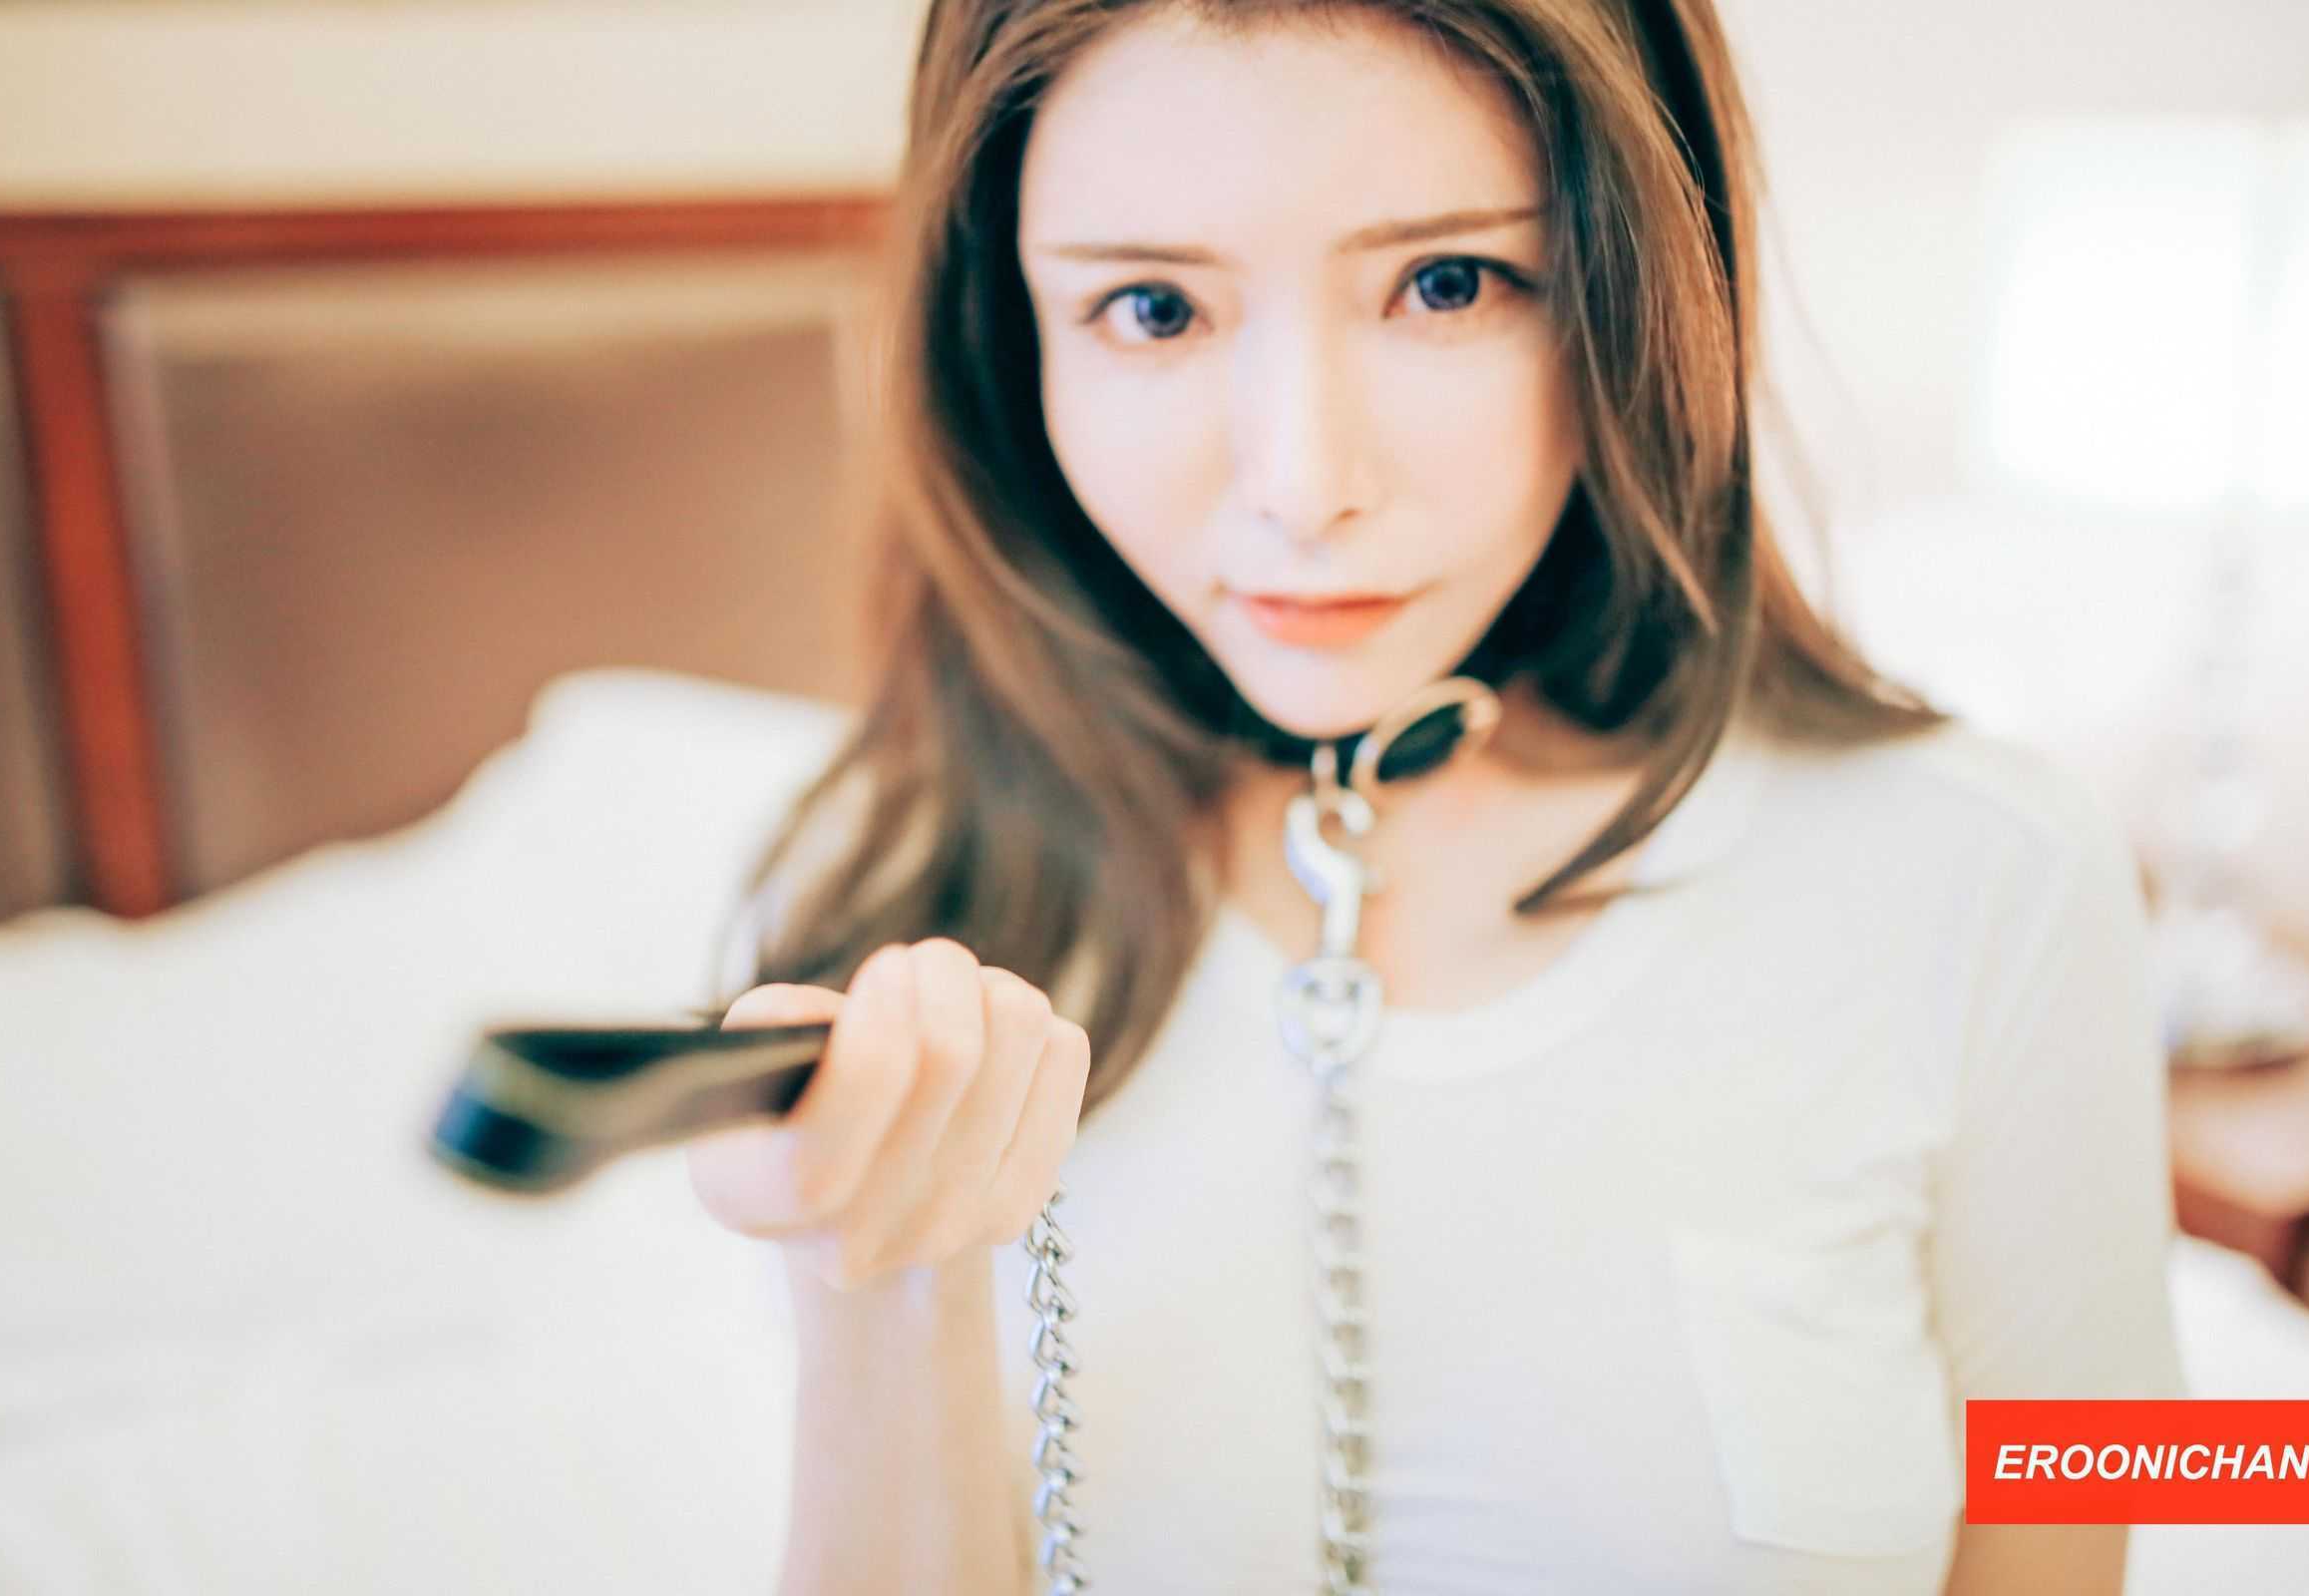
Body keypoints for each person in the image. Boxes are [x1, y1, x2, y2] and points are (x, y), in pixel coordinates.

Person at [683, 1, 2186, 1591]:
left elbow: (2129, 1495)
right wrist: (865, 1282)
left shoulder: (2003, 870)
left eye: (1448, 284)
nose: (1303, 482)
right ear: (1010, 341)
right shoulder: (888, 898)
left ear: (1638, 288)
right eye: (1152, 308)